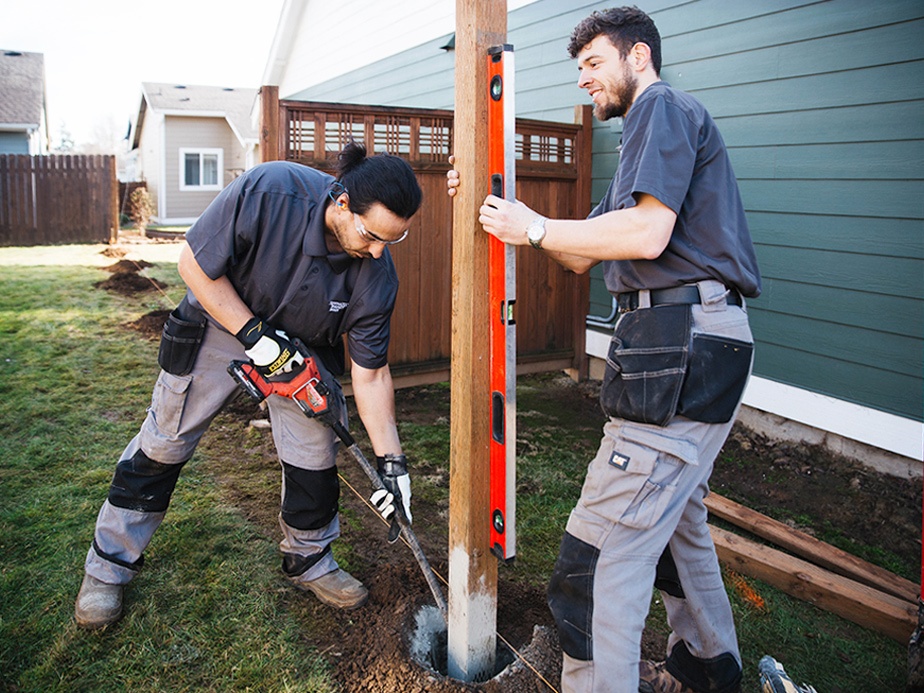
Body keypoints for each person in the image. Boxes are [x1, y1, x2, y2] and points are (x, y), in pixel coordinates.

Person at [448, 6, 760, 693]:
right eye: (579, 68)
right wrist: (493, 204)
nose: (585, 80)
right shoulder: (636, 158)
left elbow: (647, 235)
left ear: (638, 56)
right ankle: (707, 666)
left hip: (681, 339)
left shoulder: (662, 108)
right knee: (678, 521)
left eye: (594, 63)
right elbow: (577, 256)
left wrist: (532, 229)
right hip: (684, 340)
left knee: (596, 558)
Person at [76, 142, 421, 629]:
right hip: (223, 317)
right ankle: (107, 568)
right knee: (165, 441)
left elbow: (371, 375)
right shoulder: (272, 190)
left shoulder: (377, 277)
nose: (378, 251)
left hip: (302, 349)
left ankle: (310, 560)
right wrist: (253, 335)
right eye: (370, 234)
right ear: (342, 202)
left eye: (394, 239)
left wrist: (393, 463)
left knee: (315, 455)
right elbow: (193, 264)